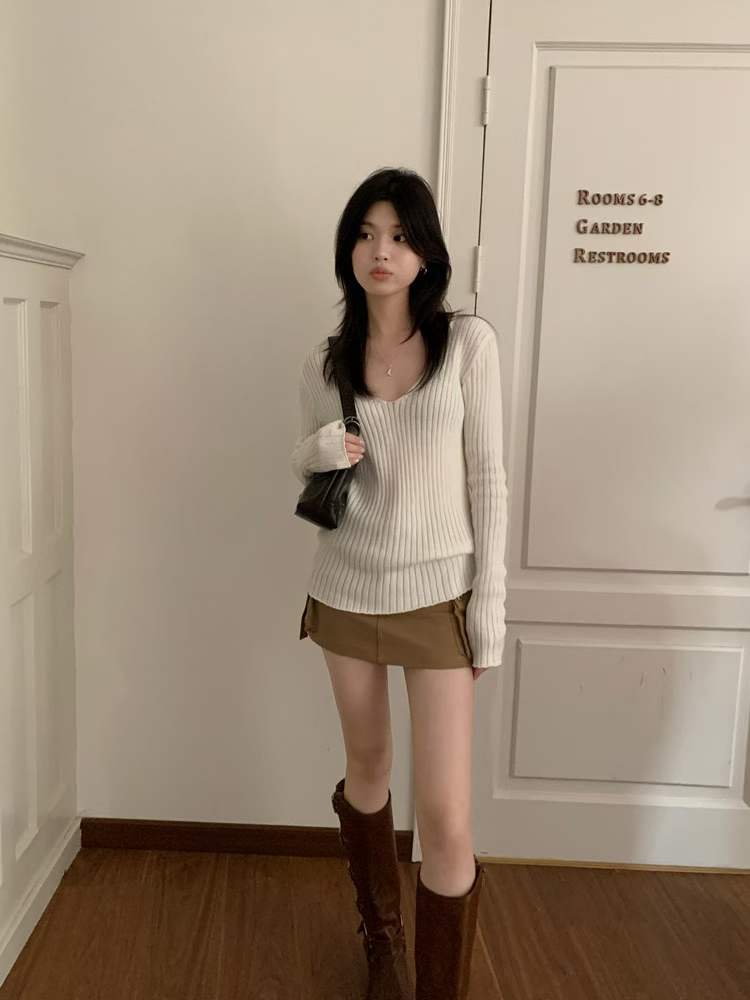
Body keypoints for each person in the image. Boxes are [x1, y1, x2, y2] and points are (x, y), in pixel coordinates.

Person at [290, 167, 508, 1000]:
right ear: (348, 250)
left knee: (447, 817)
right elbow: (309, 469)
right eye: (365, 233)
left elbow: (488, 480)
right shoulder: (325, 362)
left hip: (439, 597)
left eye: (399, 234)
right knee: (369, 767)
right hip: (345, 588)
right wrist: (313, 453)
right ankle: (384, 945)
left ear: (425, 254)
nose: (380, 249)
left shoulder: (467, 345)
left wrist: (489, 608)